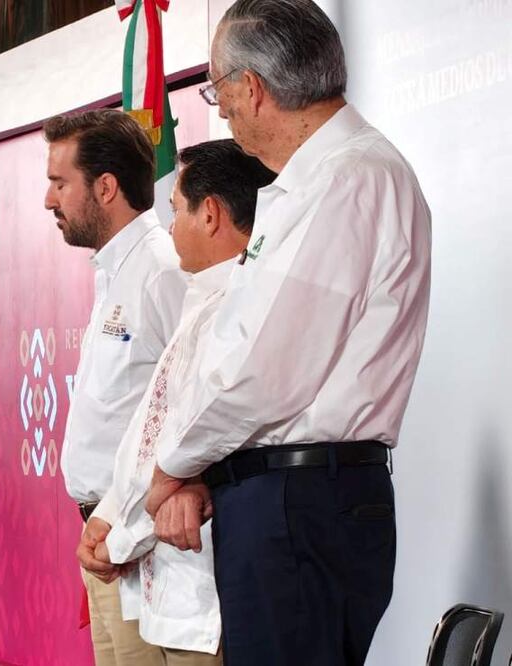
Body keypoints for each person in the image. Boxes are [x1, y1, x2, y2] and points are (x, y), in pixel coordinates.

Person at [143, 2, 432, 665]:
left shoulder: (346, 179)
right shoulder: (321, 181)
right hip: (291, 500)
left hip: (297, 504)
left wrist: (171, 467)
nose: (220, 110)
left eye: (218, 90)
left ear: (253, 88)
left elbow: (264, 369)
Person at [81, 139, 276, 665]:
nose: (170, 229)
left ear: (209, 214)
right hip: (151, 575)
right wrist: (106, 515)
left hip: (197, 583)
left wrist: (118, 537)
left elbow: (201, 440)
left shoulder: (240, 307)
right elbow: (146, 436)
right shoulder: (201, 302)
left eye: (176, 210)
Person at [44, 108, 188, 665]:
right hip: (106, 542)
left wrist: (123, 527)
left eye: (59, 183)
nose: (48, 200)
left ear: (105, 187)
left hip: (146, 546)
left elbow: (188, 412)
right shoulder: (114, 272)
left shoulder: (161, 268)